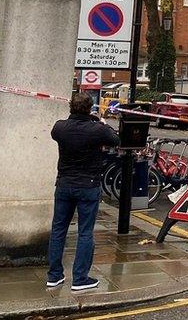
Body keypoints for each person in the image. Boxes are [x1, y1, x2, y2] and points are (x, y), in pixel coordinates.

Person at [47, 92, 120, 291]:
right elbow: (116, 139)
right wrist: (101, 122)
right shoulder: (97, 130)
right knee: (85, 233)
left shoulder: (59, 127)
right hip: (88, 186)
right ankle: (80, 279)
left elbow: (55, 134)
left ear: (71, 106)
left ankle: (54, 276)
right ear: (90, 108)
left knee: (58, 229)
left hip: (64, 185)